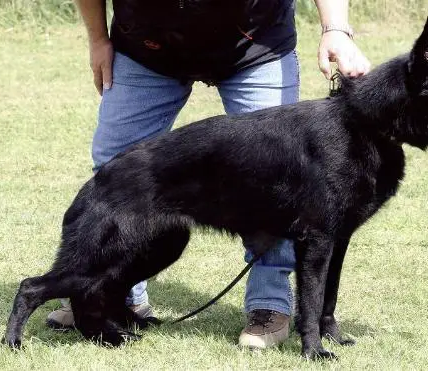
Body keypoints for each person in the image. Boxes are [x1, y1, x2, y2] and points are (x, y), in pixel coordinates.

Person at [47, 0, 370, 349]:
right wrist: (98, 39)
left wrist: (335, 28)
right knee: (114, 165)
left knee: (278, 177)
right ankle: (102, 293)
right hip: (146, 48)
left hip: (255, 45)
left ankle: (269, 306)